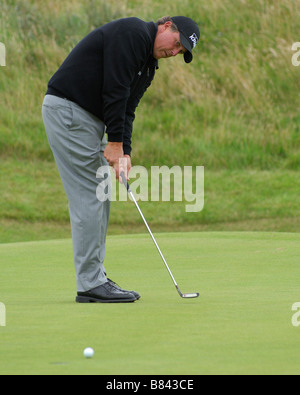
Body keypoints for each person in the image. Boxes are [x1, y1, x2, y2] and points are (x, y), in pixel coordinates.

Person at [42, 16, 200, 303]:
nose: (174, 52)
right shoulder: (135, 33)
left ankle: (95, 278)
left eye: (180, 52)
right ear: (166, 26)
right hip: (69, 112)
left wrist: (124, 152)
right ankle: (90, 283)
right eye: (176, 44)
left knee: (100, 195)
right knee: (91, 194)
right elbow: (114, 87)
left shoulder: (148, 67)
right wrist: (113, 143)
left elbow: (127, 109)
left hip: (85, 120)